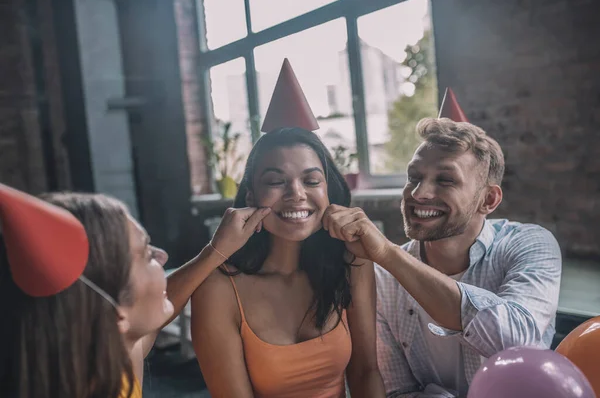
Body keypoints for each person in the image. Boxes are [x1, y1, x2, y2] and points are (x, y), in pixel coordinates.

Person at [322, 89, 562, 397]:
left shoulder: (530, 244)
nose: (419, 193)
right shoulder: (383, 278)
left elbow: (516, 341)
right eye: (414, 177)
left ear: (488, 199)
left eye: (445, 180)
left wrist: (388, 254)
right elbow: (397, 390)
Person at [190, 59, 385, 398]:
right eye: (276, 181)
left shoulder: (351, 263)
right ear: (251, 195)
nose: (296, 194)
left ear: (328, 192)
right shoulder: (218, 288)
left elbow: (366, 372)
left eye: (311, 180)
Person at [0, 185, 268, 398]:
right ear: (116, 316)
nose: (162, 257)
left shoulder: (113, 360)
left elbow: (159, 309)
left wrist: (215, 251)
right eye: (146, 254)